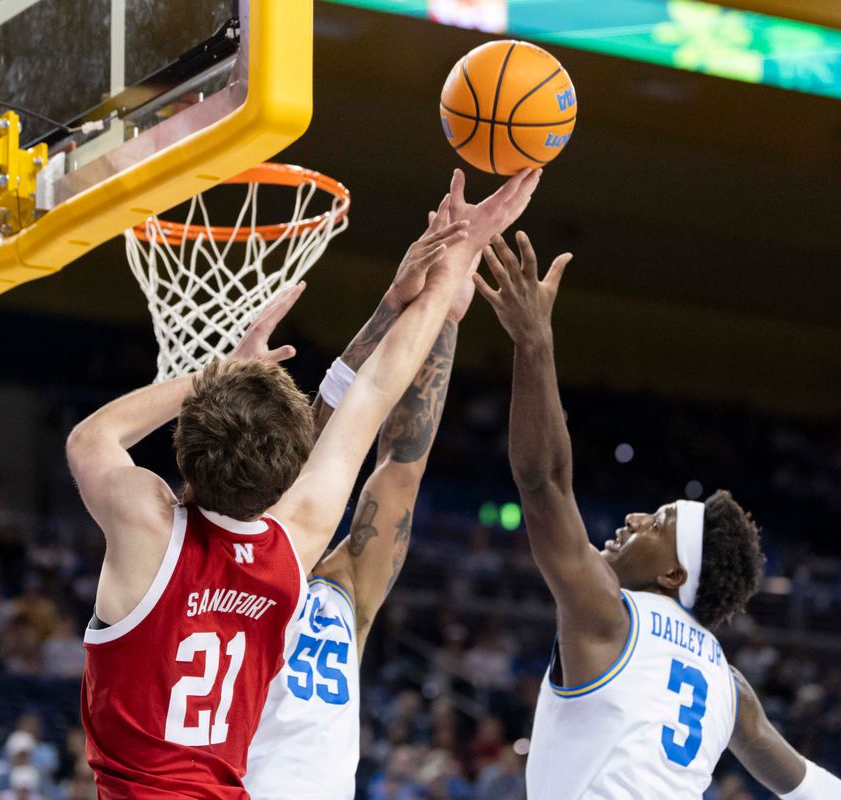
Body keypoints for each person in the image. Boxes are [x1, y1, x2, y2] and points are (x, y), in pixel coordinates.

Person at [67, 168, 541, 799]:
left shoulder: (147, 528)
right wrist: (453, 269)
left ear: (183, 453)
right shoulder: (294, 545)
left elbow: (90, 441)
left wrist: (220, 370)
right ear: (285, 480)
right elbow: (374, 396)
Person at [474, 232, 841, 799]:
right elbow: (814, 788)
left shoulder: (610, 615)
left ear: (674, 576)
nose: (633, 519)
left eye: (656, 524)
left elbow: (543, 481)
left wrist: (534, 343)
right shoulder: (729, 689)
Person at [245, 208, 474, 799]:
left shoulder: (346, 584)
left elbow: (403, 464)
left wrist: (443, 312)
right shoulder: (240, 563)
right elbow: (321, 444)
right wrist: (413, 307)